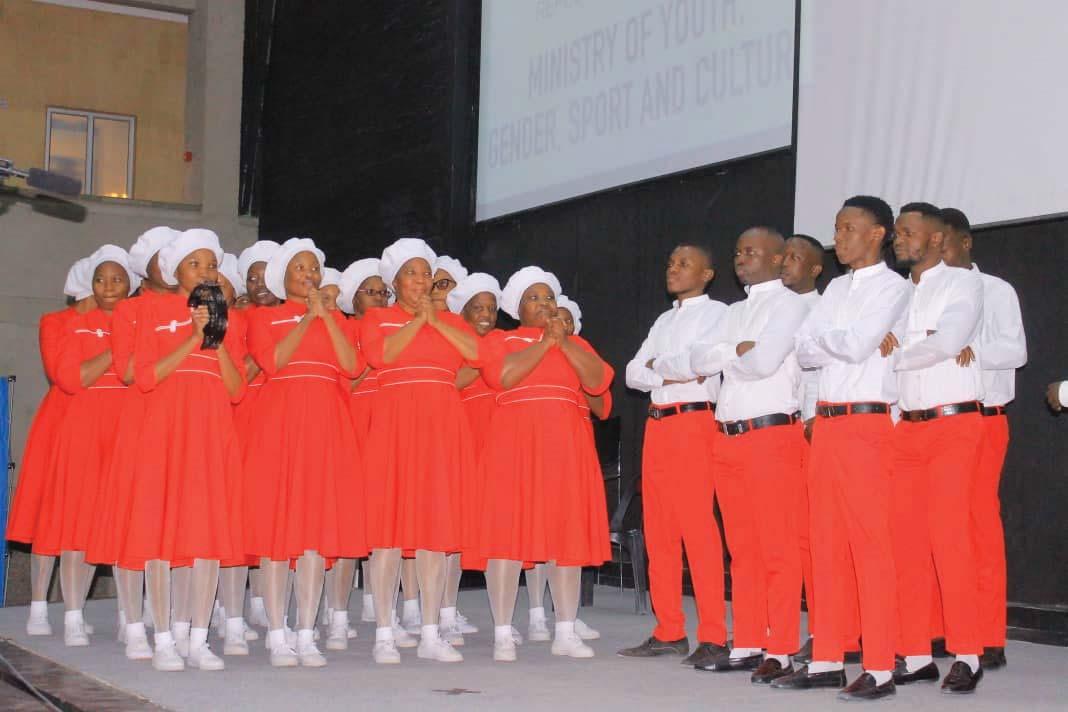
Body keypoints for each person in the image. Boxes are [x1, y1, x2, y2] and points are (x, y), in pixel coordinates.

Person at [657, 227, 810, 682]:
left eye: (751, 251)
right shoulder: (735, 311)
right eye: (738, 251)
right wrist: (733, 351)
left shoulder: (790, 305)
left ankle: (781, 647)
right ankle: (747, 641)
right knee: (742, 550)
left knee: (778, 548)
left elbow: (762, 363)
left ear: (778, 258)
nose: (741, 258)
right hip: (726, 436)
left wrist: (724, 355)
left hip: (771, 434)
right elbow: (697, 361)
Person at [776, 196, 909, 700]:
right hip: (827, 425)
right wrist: (842, 339)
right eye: (836, 228)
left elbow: (851, 345)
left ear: (878, 234)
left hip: (867, 424)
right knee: (825, 544)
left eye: (849, 229)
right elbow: (804, 349)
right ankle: (828, 656)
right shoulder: (834, 288)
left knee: (871, 548)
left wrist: (835, 339)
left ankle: (880, 666)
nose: (839, 238)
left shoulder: (894, 288)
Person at [118, 228, 245, 672]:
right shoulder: (150, 311)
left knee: (205, 538)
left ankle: (198, 636)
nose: (206, 271)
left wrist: (217, 338)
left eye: (212, 264)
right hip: (165, 435)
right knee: (160, 536)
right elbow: (145, 377)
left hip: (210, 434)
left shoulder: (225, 317)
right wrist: (193, 337)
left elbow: (236, 390)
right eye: (196, 264)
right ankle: (163, 638)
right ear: (175, 271)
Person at [477, 267, 613, 662]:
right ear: (516, 308)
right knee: (506, 538)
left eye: (549, 297)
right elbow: (503, 375)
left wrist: (563, 342)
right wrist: (545, 343)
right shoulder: (501, 340)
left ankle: (565, 630)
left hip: (565, 447)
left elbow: (598, 381)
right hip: (514, 447)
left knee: (566, 536)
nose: (544, 304)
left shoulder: (576, 342)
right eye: (533, 298)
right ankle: (503, 632)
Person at [244, 237, 367, 668]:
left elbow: (352, 366)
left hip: (327, 425)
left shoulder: (337, 321)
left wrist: (326, 317)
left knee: (316, 534)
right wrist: (306, 320)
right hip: (280, 424)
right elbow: (273, 362)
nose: (310, 275)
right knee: (278, 534)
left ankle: (306, 630)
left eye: (314, 267)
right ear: (283, 276)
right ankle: (277, 633)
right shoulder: (265, 317)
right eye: (300, 268)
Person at [360, 237, 478, 664]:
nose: (421, 280)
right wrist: (418, 322)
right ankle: (384, 633)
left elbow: (477, 355)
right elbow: (381, 355)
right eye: (411, 273)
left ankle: (430, 632)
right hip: (395, 427)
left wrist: (436, 321)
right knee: (387, 533)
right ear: (395, 281)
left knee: (436, 530)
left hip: (441, 427)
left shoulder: (450, 321)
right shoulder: (378, 318)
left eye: (426, 273)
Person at [886, 202, 986, 694]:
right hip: (906, 428)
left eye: (908, 232)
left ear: (936, 238)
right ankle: (916, 653)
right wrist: (919, 344)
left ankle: (967, 653)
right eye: (898, 232)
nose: (899, 239)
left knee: (949, 538)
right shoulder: (898, 294)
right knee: (905, 543)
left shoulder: (962, 283)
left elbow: (947, 342)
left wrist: (898, 353)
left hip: (953, 424)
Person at [619, 243, 728, 667]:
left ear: (707, 274)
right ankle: (669, 629)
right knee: (658, 529)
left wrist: (659, 366)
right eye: (670, 263)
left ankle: (713, 635)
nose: (673, 269)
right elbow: (632, 373)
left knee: (697, 528)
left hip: (693, 422)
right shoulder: (664, 319)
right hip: (658, 425)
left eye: (684, 264)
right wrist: (669, 368)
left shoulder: (718, 313)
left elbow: (699, 364)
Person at [31, 245, 137, 647]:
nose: (108, 287)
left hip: (124, 426)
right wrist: (119, 346)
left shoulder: (135, 320)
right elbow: (72, 378)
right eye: (100, 279)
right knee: (67, 518)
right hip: (79, 425)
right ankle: (60, 611)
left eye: (117, 279)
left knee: (117, 521)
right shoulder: (67, 323)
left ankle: (128, 615)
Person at [86, 226, 179, 659]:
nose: (173, 264)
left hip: (181, 423)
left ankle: (174, 620)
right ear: (147, 267)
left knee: (173, 525)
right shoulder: (131, 310)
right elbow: (126, 371)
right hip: (141, 422)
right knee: (135, 521)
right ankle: (133, 620)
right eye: (165, 257)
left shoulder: (196, 307)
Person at [939, 207, 1027, 670]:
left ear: (966, 242)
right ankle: (943, 628)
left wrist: (965, 350)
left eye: (944, 242)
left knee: (977, 524)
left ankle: (989, 633)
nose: (936, 250)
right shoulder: (921, 291)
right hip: (928, 423)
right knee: (935, 528)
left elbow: (1015, 350)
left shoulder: (995, 290)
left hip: (982, 417)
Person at [7, 257, 95, 638]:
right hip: (60, 423)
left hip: (100, 426)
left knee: (89, 519)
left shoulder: (118, 323)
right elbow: (63, 374)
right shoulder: (55, 322)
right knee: (50, 516)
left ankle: (76, 606)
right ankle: (38, 605)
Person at [336, 258, 396, 631]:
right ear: (353, 298)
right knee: (350, 521)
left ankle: (379, 601)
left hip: (389, 426)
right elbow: (343, 381)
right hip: (354, 424)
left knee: (385, 518)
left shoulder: (393, 327)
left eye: (382, 292)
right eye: (370, 291)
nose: (378, 298)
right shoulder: (344, 329)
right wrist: (372, 363)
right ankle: (338, 611)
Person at [779, 233, 829, 663]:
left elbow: (818, 373)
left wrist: (813, 417)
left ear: (815, 269)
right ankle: (777, 628)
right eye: (784, 255)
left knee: (815, 537)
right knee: (786, 536)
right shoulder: (770, 309)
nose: (785, 262)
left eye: (796, 257)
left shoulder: (822, 308)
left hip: (811, 428)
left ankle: (824, 629)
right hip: (778, 430)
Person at [233, 239, 281, 631]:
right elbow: (240, 373)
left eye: (266, 276)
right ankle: (228, 603)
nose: (259, 284)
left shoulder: (292, 317)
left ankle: (263, 598)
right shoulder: (235, 319)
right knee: (240, 512)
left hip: (279, 420)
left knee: (270, 512)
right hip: (241, 416)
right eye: (252, 278)